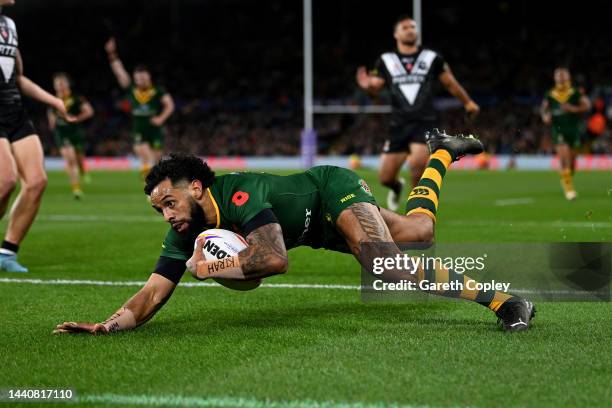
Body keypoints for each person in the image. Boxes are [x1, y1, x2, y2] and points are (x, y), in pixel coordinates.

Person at [54, 130, 535, 335]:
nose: (167, 216)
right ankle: (443, 154)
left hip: (330, 191)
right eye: (158, 210)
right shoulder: (187, 226)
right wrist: (108, 325)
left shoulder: (239, 194)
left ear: (196, 187)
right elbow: (154, 292)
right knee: (421, 230)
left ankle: (505, 301)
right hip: (317, 229)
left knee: (385, 265)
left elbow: (274, 261)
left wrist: (208, 267)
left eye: (170, 203)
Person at [356, 15, 480, 211]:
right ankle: (396, 187)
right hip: (398, 124)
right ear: (396, 34)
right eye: (405, 27)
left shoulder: (431, 58)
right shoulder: (386, 60)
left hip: (424, 120)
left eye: (413, 27)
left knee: (417, 166)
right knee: (385, 177)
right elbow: (376, 88)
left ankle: (417, 212)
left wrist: (468, 102)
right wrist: (367, 87)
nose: (410, 30)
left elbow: (450, 83)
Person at [0, 2, 74, 273]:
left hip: (14, 111)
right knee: (6, 180)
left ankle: (7, 252)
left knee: (36, 181)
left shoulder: (9, 26)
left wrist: (55, 102)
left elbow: (18, 78)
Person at [104, 37, 174, 178]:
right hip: (139, 127)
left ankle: (153, 187)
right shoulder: (132, 89)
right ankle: (150, 186)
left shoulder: (158, 90)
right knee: (145, 157)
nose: (140, 80)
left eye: (142, 78)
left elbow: (170, 105)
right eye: (137, 78)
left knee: (156, 162)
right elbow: (119, 72)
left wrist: (161, 118)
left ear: (149, 77)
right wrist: (112, 55)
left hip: (155, 129)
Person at [540, 67, 591, 200]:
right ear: (555, 78)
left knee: (572, 162)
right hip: (558, 129)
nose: (561, 77)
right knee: (564, 157)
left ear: (568, 77)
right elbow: (543, 109)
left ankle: (566, 177)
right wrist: (545, 116)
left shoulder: (575, 93)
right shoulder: (550, 94)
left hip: (573, 129)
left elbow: (587, 105)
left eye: (563, 75)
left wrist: (573, 109)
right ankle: (569, 190)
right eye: (558, 75)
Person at [47, 72, 94, 199]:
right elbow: (51, 116)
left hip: (76, 132)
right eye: (57, 84)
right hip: (62, 133)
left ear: (68, 84)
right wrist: (52, 123)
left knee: (78, 158)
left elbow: (89, 111)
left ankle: (83, 171)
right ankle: (76, 189)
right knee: (70, 160)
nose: (60, 86)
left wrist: (78, 118)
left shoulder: (77, 98)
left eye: (62, 83)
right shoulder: (53, 100)